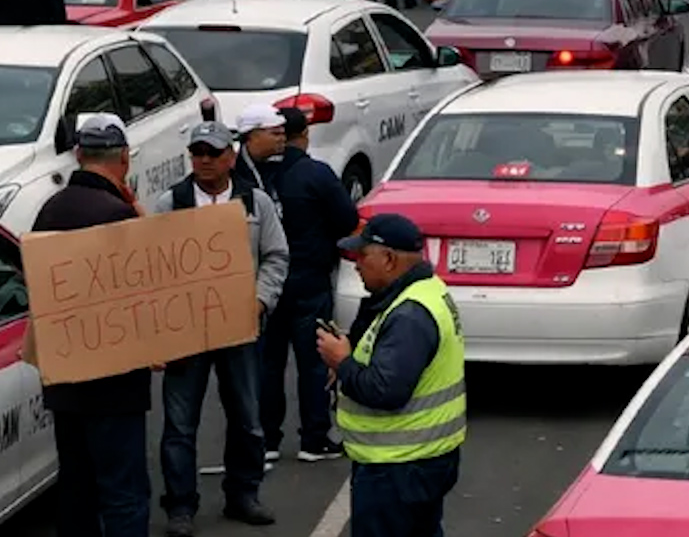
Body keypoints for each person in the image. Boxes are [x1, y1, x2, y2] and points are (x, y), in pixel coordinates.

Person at [150, 121, 288, 534]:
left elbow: (277, 257)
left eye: (212, 152)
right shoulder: (169, 203)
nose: (204, 160)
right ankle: (180, 506)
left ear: (231, 156)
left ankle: (243, 494)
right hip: (184, 332)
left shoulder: (255, 202)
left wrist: (261, 300)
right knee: (179, 424)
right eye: (197, 153)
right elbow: (151, 270)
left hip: (239, 329)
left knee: (247, 416)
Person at [32, 113, 153, 537]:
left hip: (65, 385)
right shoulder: (118, 216)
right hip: (115, 387)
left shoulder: (49, 211)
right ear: (124, 159)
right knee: (123, 494)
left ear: (79, 155)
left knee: (77, 489)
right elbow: (144, 297)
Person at [317, 214, 466, 537]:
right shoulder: (424, 291)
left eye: (363, 255)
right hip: (422, 460)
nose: (356, 264)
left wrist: (343, 363)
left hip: (398, 467)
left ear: (388, 259)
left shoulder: (410, 315)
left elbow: (386, 391)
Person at [251, 105, 358, 466]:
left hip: (266, 281)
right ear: (305, 135)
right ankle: (314, 437)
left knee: (268, 362)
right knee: (313, 361)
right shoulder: (316, 174)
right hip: (309, 277)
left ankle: (266, 437)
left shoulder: (256, 177)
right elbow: (347, 219)